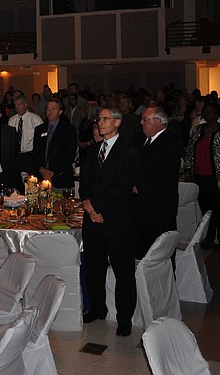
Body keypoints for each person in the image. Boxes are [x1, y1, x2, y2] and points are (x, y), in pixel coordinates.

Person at [80, 108, 139, 337]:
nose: (100, 123)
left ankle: (124, 317)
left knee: (123, 270)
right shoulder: (94, 150)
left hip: (116, 219)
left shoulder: (129, 150)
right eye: (99, 119)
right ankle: (97, 307)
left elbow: (124, 186)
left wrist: (97, 206)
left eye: (105, 119)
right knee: (94, 267)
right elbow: (84, 182)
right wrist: (88, 205)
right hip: (92, 218)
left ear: (117, 122)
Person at [183, 102, 220, 249]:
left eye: (211, 112)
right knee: (206, 210)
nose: (208, 114)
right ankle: (208, 237)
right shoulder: (197, 130)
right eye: (205, 112)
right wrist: (188, 171)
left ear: (218, 113)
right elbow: (189, 152)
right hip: (200, 177)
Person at [133, 107, 184, 258]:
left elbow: (164, 173)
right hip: (141, 204)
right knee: (142, 247)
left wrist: (138, 184)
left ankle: (165, 279)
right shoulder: (141, 139)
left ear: (157, 122)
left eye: (145, 120)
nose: (141, 123)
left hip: (159, 205)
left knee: (160, 248)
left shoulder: (171, 141)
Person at [32, 100, 77, 191]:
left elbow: (70, 154)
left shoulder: (69, 129)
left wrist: (53, 172)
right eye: (48, 109)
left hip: (61, 178)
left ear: (60, 111)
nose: (50, 112)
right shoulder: (39, 129)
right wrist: (41, 169)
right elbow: (36, 152)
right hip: (42, 177)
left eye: (53, 109)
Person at [9, 96, 42, 176]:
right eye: (15, 105)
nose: (17, 107)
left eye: (19, 104)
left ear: (25, 105)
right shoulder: (12, 120)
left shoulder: (35, 119)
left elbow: (40, 141)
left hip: (30, 155)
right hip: (16, 155)